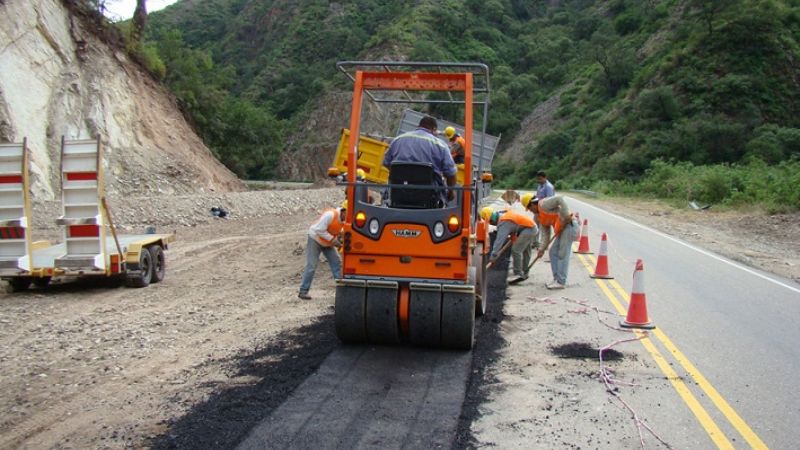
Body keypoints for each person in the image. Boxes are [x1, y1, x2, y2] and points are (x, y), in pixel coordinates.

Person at [382, 116, 457, 203]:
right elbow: (451, 174)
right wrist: (451, 192)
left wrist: (401, 174)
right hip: (429, 199)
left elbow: (386, 162)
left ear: (418, 126)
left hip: (398, 195)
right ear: (434, 129)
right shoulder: (441, 145)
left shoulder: (398, 140)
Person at [298, 200, 347, 300]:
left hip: (327, 242)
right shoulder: (330, 215)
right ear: (343, 211)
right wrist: (333, 240)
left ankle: (343, 290)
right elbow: (319, 230)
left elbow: (339, 231)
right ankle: (303, 291)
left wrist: (340, 239)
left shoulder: (344, 221)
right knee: (311, 265)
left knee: (337, 262)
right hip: (315, 239)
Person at [530, 195, 578, 290]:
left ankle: (561, 281)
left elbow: (559, 199)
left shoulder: (544, 204)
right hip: (561, 230)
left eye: (530, 208)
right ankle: (556, 279)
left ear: (532, 204)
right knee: (553, 252)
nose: (531, 211)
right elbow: (545, 235)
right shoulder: (540, 217)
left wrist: (566, 216)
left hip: (569, 226)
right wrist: (541, 249)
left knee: (562, 254)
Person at [481, 206, 537, 284]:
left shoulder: (503, 222)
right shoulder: (504, 215)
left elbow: (499, 241)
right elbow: (515, 225)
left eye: (490, 222)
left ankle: (518, 273)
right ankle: (525, 271)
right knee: (525, 250)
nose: (491, 224)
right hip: (529, 227)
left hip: (528, 229)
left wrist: (493, 255)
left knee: (516, 250)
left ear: (491, 219)